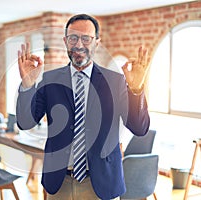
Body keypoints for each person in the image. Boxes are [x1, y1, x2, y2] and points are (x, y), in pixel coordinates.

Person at [16, 14, 150, 200]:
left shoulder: (115, 82)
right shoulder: (50, 80)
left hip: (102, 183)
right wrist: (27, 86)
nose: (79, 45)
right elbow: (25, 122)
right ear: (65, 41)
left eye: (86, 38)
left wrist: (135, 90)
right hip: (59, 182)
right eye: (73, 38)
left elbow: (139, 127)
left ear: (96, 42)